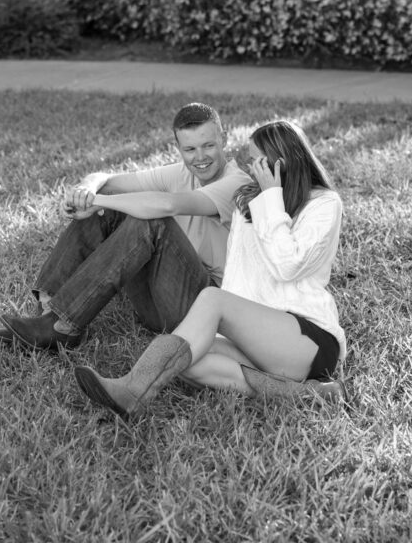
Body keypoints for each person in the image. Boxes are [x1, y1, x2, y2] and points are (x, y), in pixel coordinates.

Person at [73, 118, 346, 416]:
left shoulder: (323, 203)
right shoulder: (250, 203)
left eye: (258, 162)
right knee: (188, 360)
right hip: (257, 339)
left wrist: (271, 198)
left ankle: (133, 389)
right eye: (251, 161)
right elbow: (239, 277)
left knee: (211, 301)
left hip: (307, 340)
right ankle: (309, 395)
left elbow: (287, 266)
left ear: (282, 162)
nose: (252, 169)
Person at [0, 102, 251, 350]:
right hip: (158, 300)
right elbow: (106, 178)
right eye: (190, 149)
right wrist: (87, 189)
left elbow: (167, 206)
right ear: (178, 147)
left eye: (208, 146)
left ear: (224, 140)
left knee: (150, 219)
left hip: (201, 309)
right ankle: (48, 312)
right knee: (107, 212)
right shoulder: (181, 173)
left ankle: (62, 326)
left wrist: (99, 200)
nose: (200, 157)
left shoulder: (237, 184)